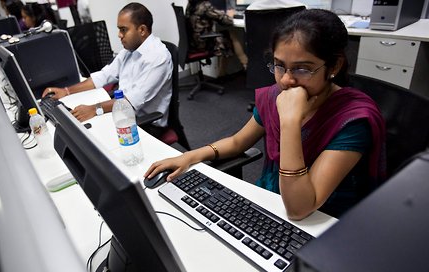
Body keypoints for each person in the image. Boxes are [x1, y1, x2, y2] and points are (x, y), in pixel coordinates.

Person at [145, 9, 386, 220]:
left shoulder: (352, 120)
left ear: (334, 66)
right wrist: (190, 156)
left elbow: (300, 209)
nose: (286, 80)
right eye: (279, 65)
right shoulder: (274, 95)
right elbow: (239, 142)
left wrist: (290, 121)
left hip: (322, 220)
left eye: (302, 68)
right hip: (271, 201)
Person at [42, 2, 172, 138]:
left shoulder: (158, 57)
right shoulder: (129, 51)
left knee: (88, 137)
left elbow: (132, 101)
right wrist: (66, 91)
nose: (119, 35)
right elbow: (103, 76)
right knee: (81, 131)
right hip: (122, 112)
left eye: (124, 29)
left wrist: (94, 109)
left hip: (146, 124)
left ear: (142, 30)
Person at [186, 0, 248, 70]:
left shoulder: (191, 5)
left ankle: (222, 73)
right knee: (230, 36)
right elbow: (225, 20)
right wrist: (230, 15)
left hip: (192, 43)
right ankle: (246, 64)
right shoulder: (204, 5)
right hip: (202, 44)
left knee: (224, 38)